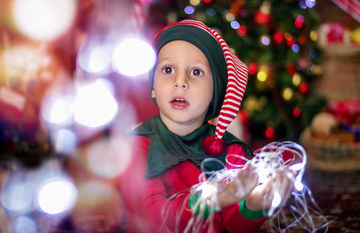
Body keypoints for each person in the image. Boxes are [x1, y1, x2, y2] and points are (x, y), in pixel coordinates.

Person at [118, 20, 294, 232]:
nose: (180, 81)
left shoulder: (231, 150)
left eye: (196, 72)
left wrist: (253, 205)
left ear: (215, 93)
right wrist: (210, 200)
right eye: (167, 69)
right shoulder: (136, 148)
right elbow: (152, 218)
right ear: (153, 86)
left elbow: (235, 225)